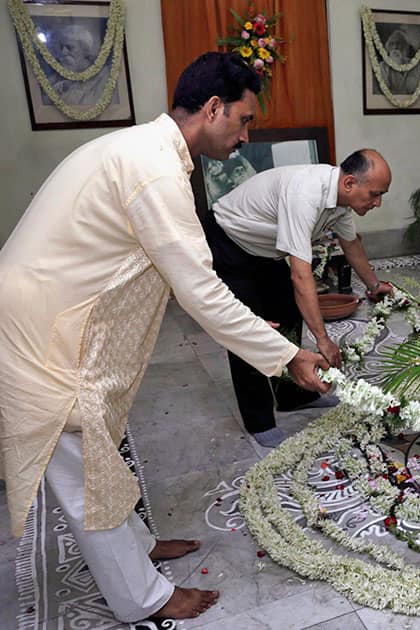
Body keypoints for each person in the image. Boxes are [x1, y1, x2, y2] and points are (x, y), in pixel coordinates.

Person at [0, 52, 330, 622]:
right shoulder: (153, 170)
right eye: (245, 120)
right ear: (212, 108)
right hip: (44, 337)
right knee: (85, 473)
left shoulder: (147, 151)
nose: (246, 136)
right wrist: (287, 356)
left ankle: (140, 549)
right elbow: (200, 292)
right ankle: (144, 597)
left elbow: (184, 282)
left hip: (51, 318)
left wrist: (257, 332)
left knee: (102, 450)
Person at [201, 149, 394, 447]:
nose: (378, 202)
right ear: (350, 183)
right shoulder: (306, 192)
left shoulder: (341, 204)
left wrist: (374, 284)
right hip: (229, 240)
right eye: (375, 194)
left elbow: (351, 244)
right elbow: (300, 275)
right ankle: (259, 419)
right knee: (251, 326)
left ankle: (294, 395)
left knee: (288, 311)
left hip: (264, 249)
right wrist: (323, 339)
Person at [47, 22, 113, 106]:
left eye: (69, 47)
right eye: (61, 47)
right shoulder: (53, 78)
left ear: (85, 50)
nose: (63, 52)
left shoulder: (105, 76)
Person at [379, 29, 420, 94]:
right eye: (391, 44)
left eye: (398, 43)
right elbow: (384, 92)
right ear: (388, 48)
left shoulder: (417, 66)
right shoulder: (382, 66)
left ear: (405, 46)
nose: (395, 47)